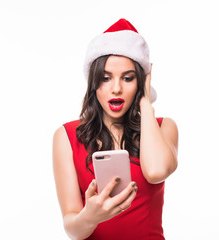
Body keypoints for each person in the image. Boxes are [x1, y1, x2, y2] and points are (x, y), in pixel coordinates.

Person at [52, 18, 178, 240]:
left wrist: (145, 102)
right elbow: (72, 228)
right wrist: (90, 216)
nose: (117, 88)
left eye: (128, 78)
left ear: (141, 82)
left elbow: (157, 171)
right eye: (106, 78)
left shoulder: (163, 126)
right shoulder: (66, 136)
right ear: (93, 83)